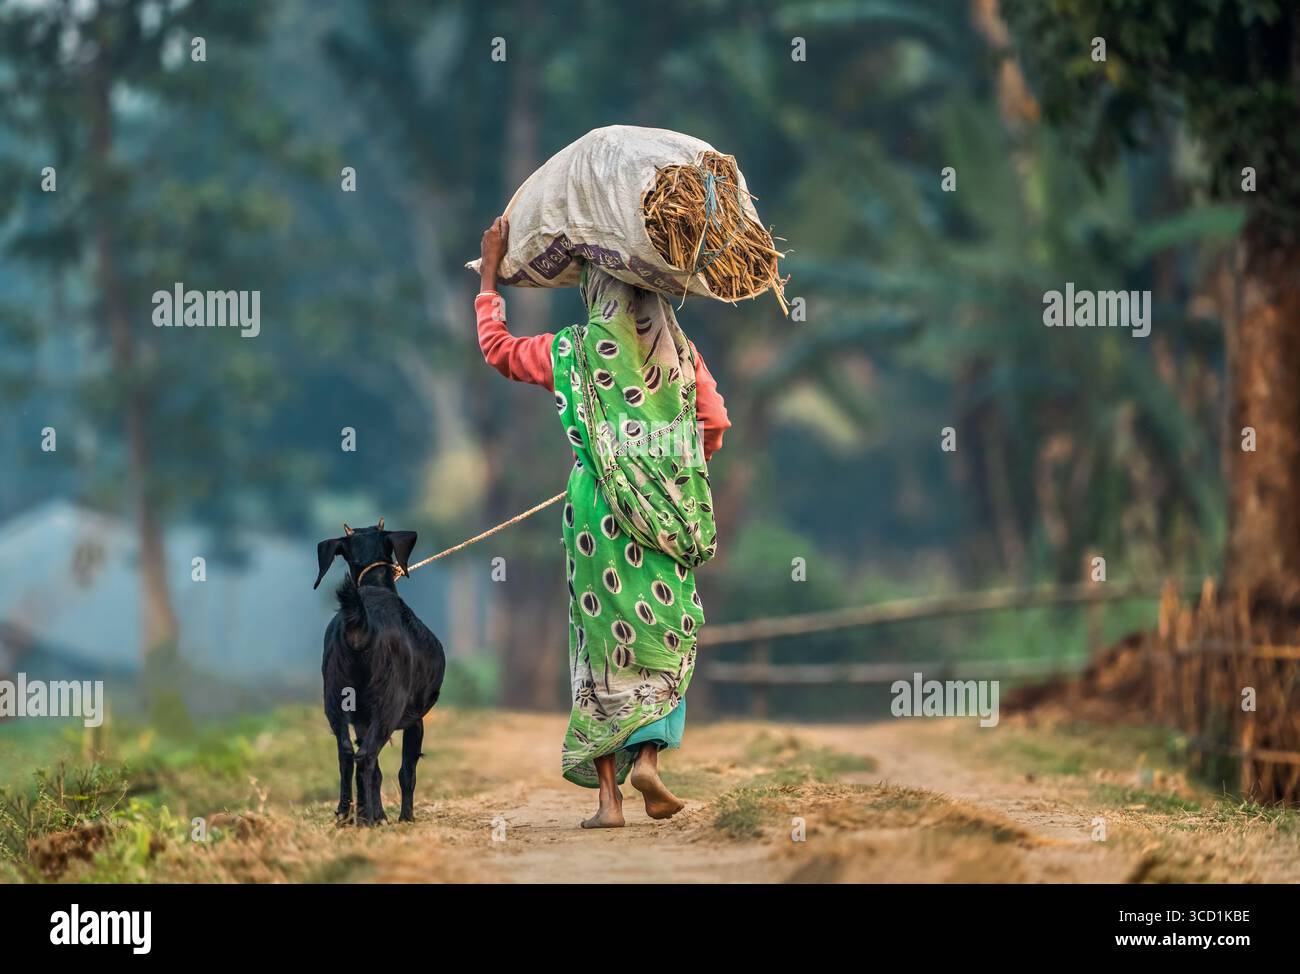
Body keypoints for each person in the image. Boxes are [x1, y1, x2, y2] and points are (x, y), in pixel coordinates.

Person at [475, 216, 730, 828]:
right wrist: (663, 464)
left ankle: (609, 801)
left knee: (599, 643)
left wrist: (489, 275)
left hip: (593, 508)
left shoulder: (570, 350)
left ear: (592, 292)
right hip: (668, 501)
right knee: (661, 628)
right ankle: (649, 758)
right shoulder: (682, 357)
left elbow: (500, 353)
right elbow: (714, 424)